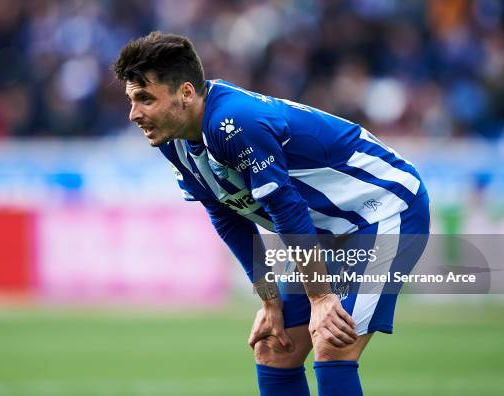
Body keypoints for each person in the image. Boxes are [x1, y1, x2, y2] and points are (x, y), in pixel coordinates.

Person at [113, 32, 430, 396]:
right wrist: (269, 300)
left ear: (186, 92)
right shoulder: (173, 136)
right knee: (273, 347)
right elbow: (225, 214)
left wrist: (321, 298)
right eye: (132, 100)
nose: (134, 114)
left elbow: (285, 208)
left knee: (332, 340)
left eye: (145, 99)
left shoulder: (233, 122)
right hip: (325, 231)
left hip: (384, 210)